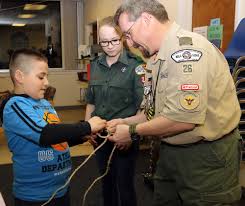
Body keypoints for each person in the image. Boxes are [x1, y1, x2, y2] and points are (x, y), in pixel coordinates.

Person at [107, 0, 242, 205]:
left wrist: (132, 131)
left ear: (146, 19)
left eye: (128, 33)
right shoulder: (155, 58)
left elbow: (182, 119)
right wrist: (125, 122)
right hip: (170, 151)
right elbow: (154, 112)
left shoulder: (187, 52)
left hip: (205, 156)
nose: (130, 43)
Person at [0, 49, 106, 206]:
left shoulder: (44, 104)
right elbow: (44, 134)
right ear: (20, 76)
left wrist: (81, 137)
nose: (47, 82)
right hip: (35, 197)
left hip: (60, 189)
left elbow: (57, 138)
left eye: (47, 76)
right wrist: (86, 126)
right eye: (41, 77)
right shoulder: (15, 106)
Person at [85, 16, 144, 206]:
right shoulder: (95, 65)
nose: (109, 46)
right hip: (100, 135)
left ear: (123, 38)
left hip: (124, 135)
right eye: (104, 42)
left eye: (114, 40)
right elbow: (91, 101)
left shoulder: (136, 66)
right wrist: (87, 128)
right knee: (106, 183)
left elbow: (144, 109)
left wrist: (128, 129)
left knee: (125, 184)